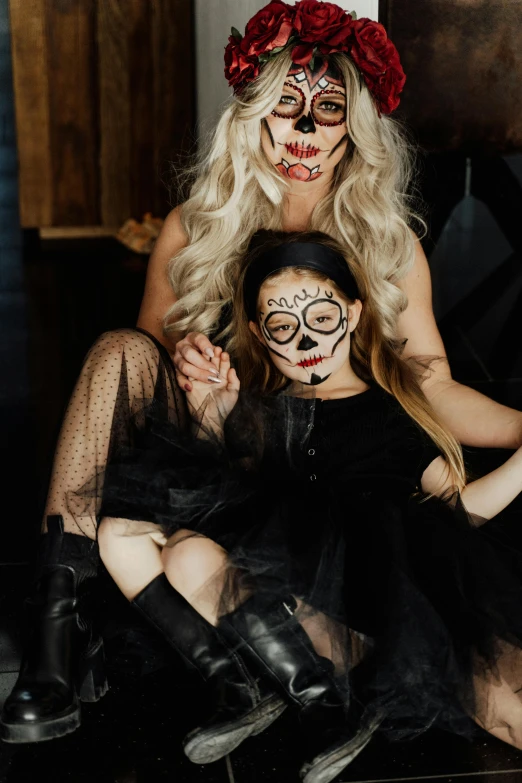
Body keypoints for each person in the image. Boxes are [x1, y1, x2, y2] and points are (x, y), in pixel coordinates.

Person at [2, 0, 522, 746]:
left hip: (320, 466)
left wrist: (520, 428)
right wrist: (190, 369)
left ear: (354, 126)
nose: (304, 131)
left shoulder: (388, 242)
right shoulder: (194, 225)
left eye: (328, 109)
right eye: (285, 105)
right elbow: (140, 385)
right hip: (222, 445)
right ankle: (53, 641)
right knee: (118, 349)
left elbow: (429, 378)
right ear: (254, 116)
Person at [96, 229, 522, 783]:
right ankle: (257, 689)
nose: (304, 342)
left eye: (321, 318)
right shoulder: (257, 409)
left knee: (507, 709)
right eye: (281, 326)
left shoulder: (391, 414)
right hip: (289, 611)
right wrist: (216, 416)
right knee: (144, 542)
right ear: (256, 332)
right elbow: (215, 498)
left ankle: (351, 689)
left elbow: (458, 509)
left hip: (386, 604)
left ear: (354, 311)